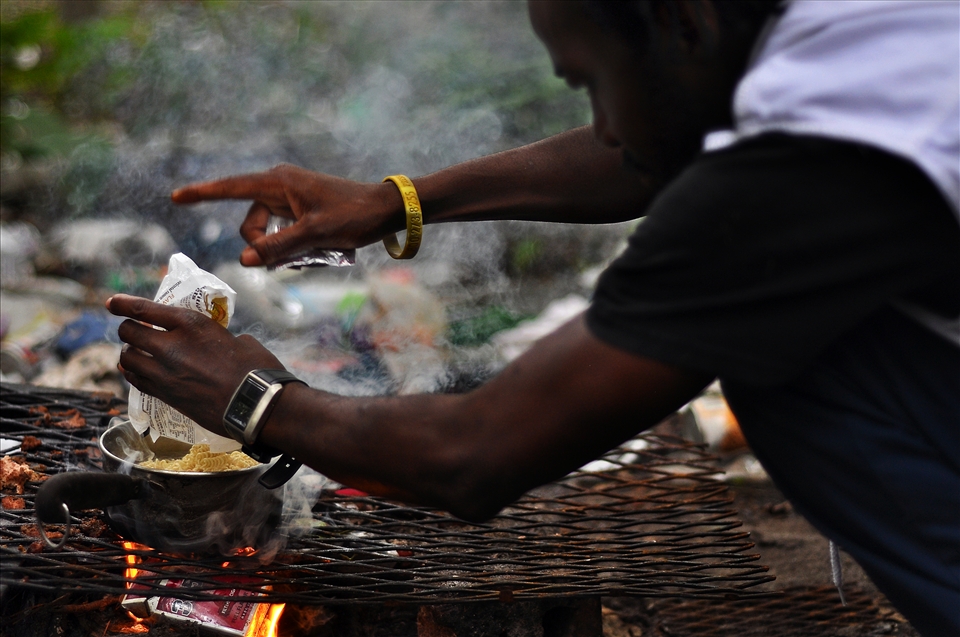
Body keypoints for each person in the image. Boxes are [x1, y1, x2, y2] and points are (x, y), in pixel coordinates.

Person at [106, 2, 959, 634]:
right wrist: (393, 202)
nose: (599, 124)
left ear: (685, 27)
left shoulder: (808, 165)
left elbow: (479, 456)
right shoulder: (855, 30)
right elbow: (656, 135)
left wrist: (255, 397)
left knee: (788, 365)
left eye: (590, 82)